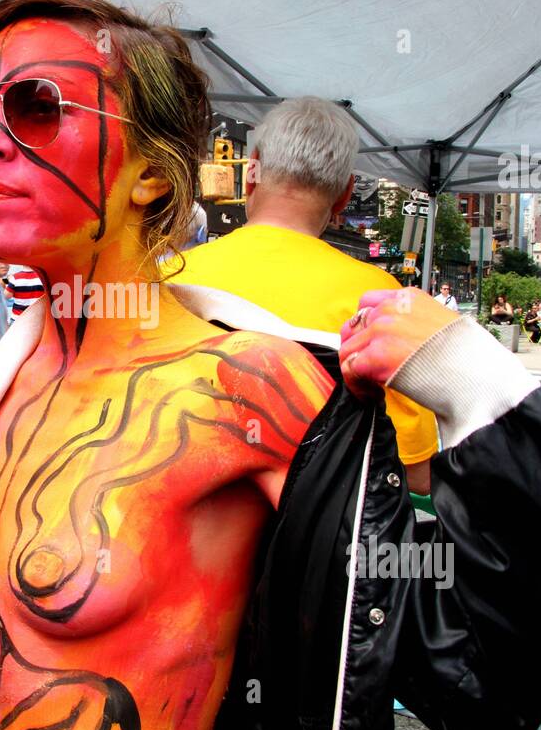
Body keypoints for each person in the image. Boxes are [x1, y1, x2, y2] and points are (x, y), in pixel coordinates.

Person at [0, 0, 541, 730]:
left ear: (150, 172)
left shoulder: (255, 389)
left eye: (37, 106)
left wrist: (468, 382)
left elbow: (486, 688)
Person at [170, 96, 438, 494]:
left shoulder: (166, 279)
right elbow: (416, 474)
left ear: (251, 173)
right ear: (346, 194)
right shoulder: (381, 302)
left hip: (180, 529)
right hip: (312, 543)